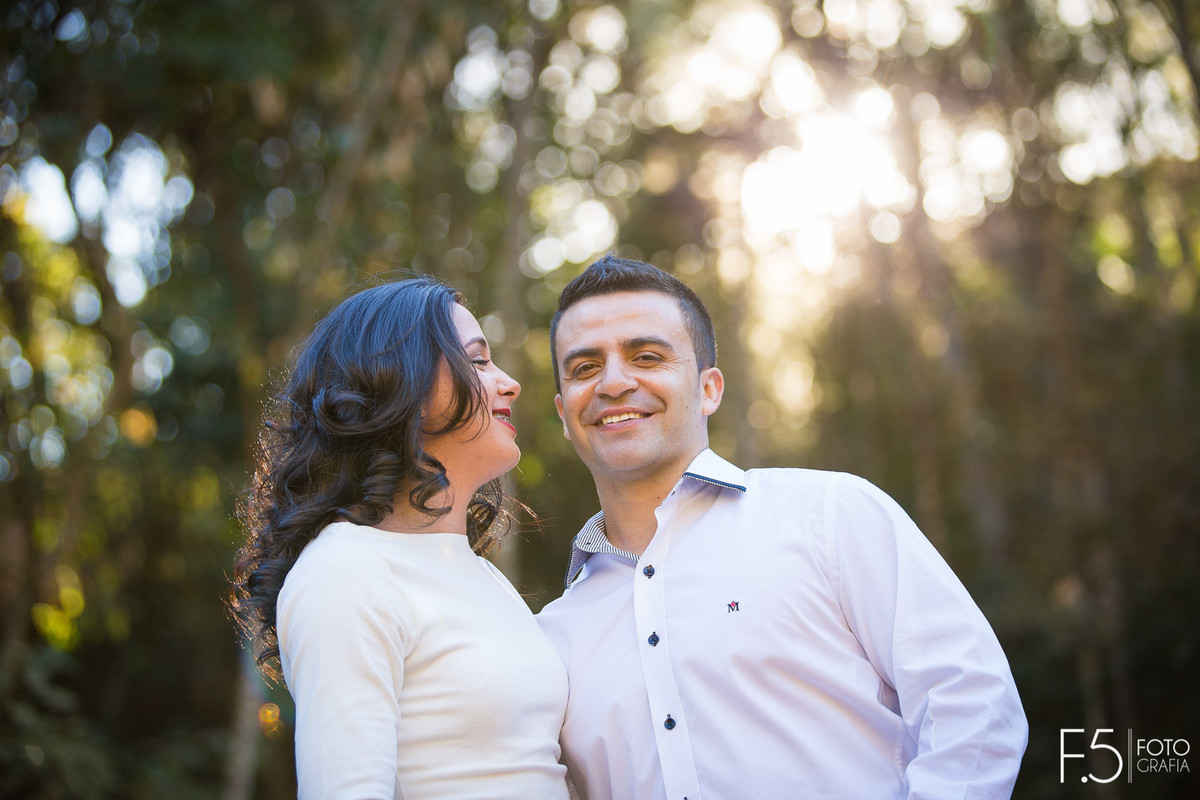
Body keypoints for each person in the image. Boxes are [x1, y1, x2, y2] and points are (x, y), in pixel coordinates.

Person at [536, 255, 1028, 800]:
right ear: (563, 412)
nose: (613, 382)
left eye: (646, 356)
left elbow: (972, 699)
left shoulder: (829, 515)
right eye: (584, 368)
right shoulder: (552, 636)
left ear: (709, 389)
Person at [230, 277, 570, 800]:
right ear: (401, 386)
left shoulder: (484, 576)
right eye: (478, 362)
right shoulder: (345, 573)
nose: (509, 383)